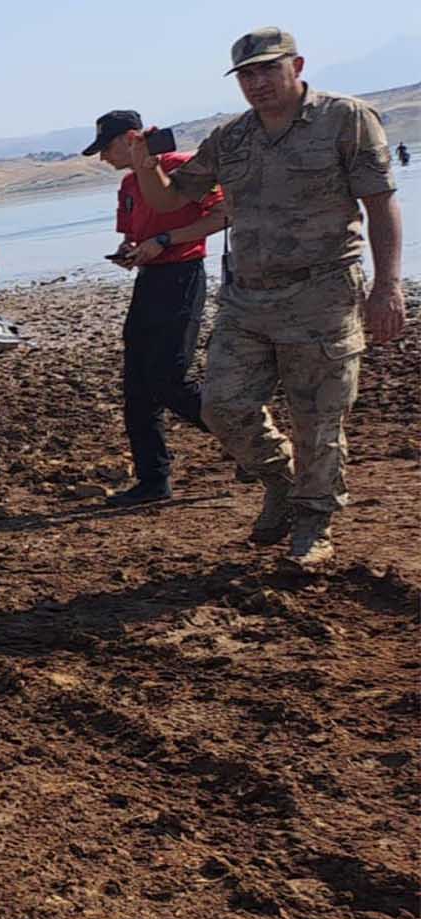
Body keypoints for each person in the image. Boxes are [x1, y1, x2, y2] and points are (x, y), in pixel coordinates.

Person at [128, 27, 404, 568]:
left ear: (296, 66)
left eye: (267, 70)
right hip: (248, 300)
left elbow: (381, 205)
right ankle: (279, 482)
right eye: (246, 75)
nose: (256, 83)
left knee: (317, 420)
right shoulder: (231, 138)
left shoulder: (345, 119)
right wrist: (144, 163)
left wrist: (387, 287)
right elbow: (169, 201)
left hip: (323, 294)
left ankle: (313, 524)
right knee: (223, 405)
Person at [84, 109, 230, 507]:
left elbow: (222, 215)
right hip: (150, 282)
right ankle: (153, 480)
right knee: (137, 388)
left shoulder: (182, 168)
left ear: (131, 139)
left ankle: (247, 442)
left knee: (170, 380)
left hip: (182, 277)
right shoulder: (130, 185)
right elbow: (135, 236)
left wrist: (167, 239)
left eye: (107, 147)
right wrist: (130, 252)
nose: (103, 158)